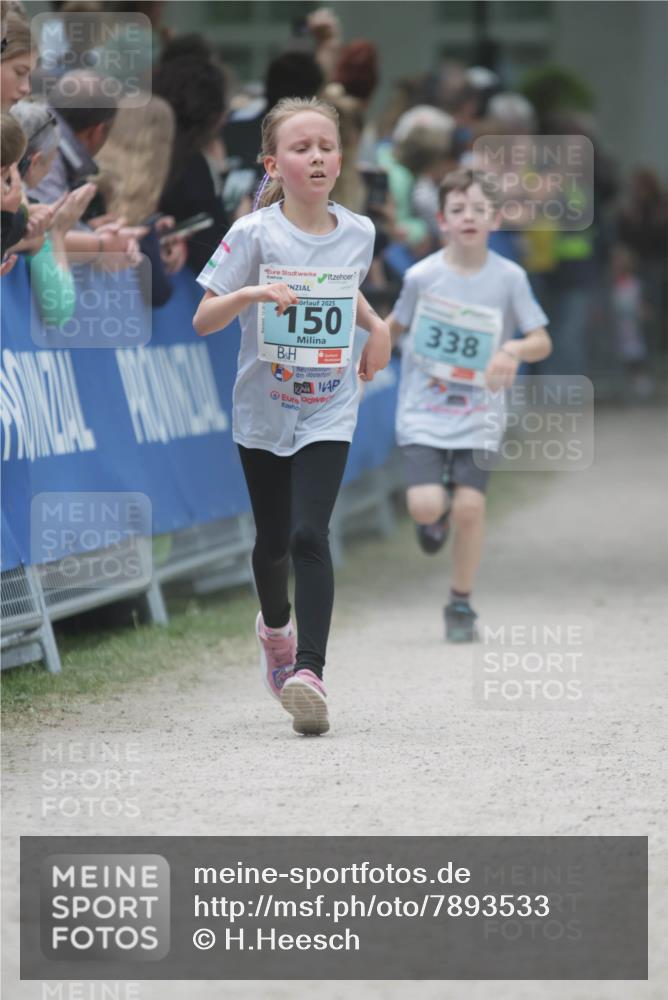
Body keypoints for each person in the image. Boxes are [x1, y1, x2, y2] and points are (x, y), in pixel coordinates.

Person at [193, 96, 390, 735]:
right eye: (302, 148)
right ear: (273, 164)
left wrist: (377, 325)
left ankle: (310, 672)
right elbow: (205, 318)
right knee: (273, 542)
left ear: (341, 158)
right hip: (264, 406)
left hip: (330, 404)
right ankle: (275, 632)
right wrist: (251, 293)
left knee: (311, 534)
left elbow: (342, 286)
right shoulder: (254, 234)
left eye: (327, 147)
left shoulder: (358, 231)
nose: (317, 158)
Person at [387, 169, 551, 642]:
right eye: (458, 210)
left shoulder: (509, 277)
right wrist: (365, 351)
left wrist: (512, 350)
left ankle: (460, 603)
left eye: (479, 210)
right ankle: (431, 515)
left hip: (481, 414)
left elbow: (541, 339)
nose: (469, 218)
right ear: (441, 220)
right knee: (423, 505)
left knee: (471, 510)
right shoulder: (422, 275)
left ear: (494, 219)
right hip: (424, 410)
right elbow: (394, 326)